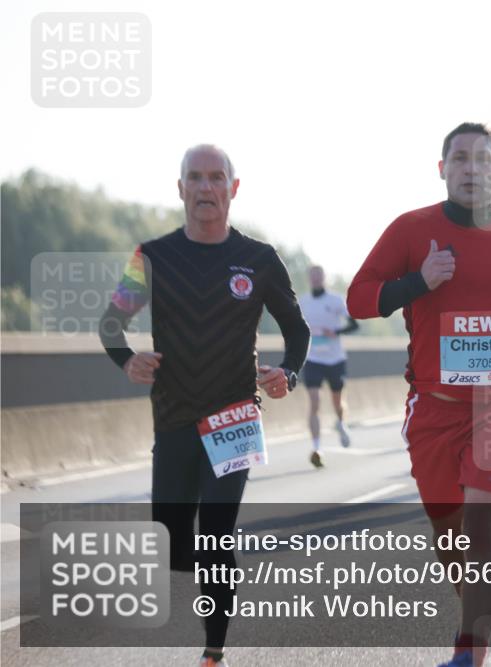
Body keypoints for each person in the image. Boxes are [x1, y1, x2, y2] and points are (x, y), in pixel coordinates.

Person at [346, 123, 491, 667]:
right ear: (442, 169)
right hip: (434, 410)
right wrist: (419, 281)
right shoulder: (412, 230)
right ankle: (477, 631)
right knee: (452, 541)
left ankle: (469, 654)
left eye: (482, 159)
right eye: (459, 159)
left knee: (483, 526)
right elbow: (359, 300)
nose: (471, 169)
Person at [99, 144, 310, 667]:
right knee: (172, 546)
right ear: (180, 189)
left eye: (217, 177)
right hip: (172, 417)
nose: (206, 187)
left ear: (233, 189)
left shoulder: (260, 260)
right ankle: (222, 570)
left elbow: (298, 331)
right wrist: (127, 359)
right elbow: (111, 321)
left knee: (215, 535)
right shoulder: (151, 256)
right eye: (195, 178)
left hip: (234, 418)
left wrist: (288, 373)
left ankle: (213, 650)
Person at [300, 264, 359, 467]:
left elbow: (354, 324)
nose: (316, 279)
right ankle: (316, 448)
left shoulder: (335, 301)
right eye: (312, 276)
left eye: (319, 276)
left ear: (324, 278)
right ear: (309, 279)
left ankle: (341, 423)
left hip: (335, 359)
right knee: (314, 402)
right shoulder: (303, 302)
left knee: (337, 401)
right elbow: (295, 328)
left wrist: (336, 332)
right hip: (313, 359)